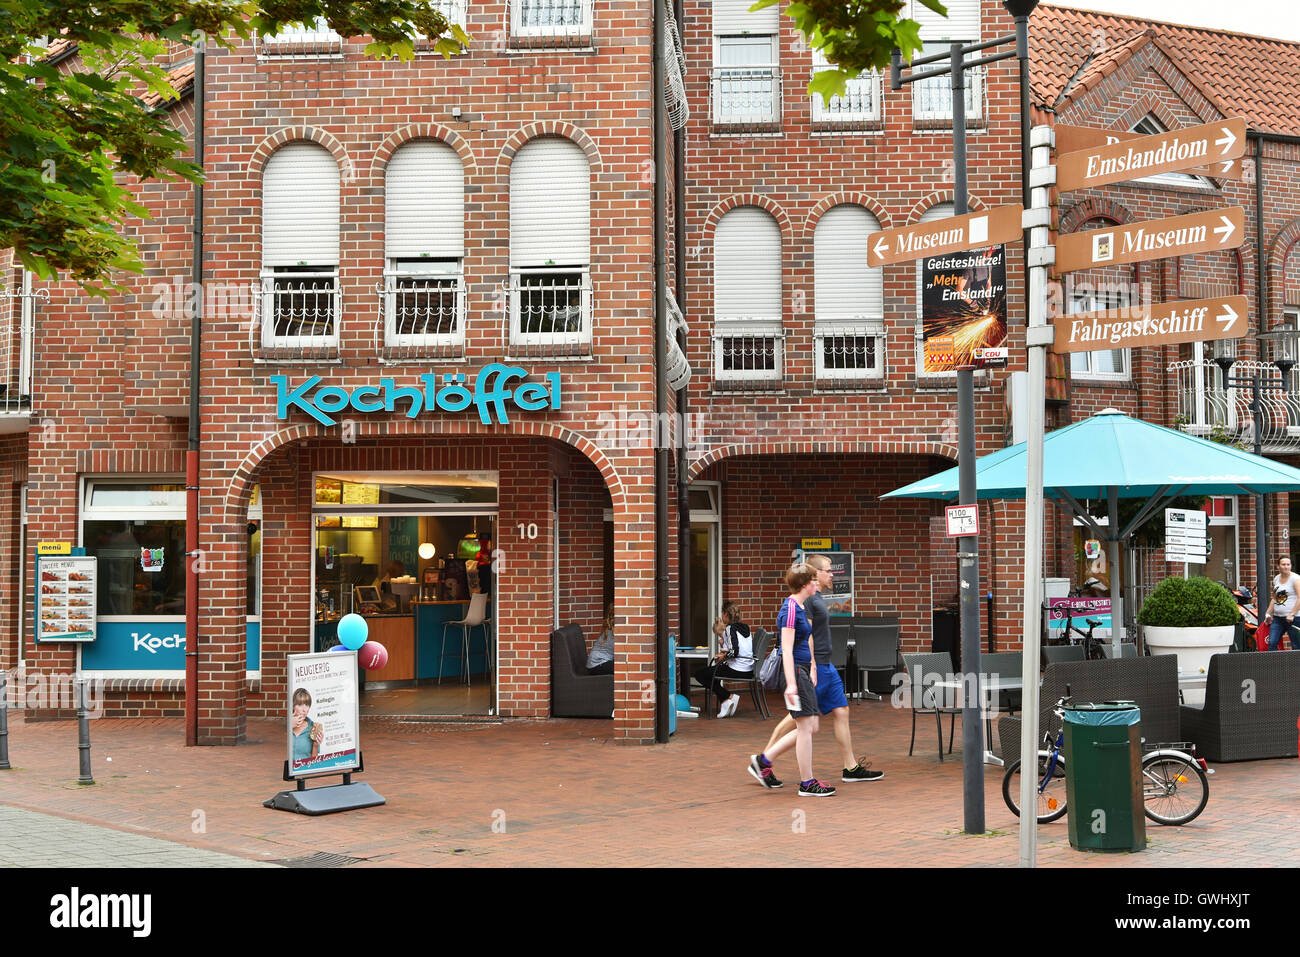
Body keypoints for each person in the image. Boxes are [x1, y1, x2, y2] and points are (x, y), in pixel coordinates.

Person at [759, 554, 884, 782]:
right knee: (800, 721)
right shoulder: (799, 604)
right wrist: (805, 673)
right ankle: (764, 761)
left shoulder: (812, 599)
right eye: (827, 570)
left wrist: (817, 664)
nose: (831, 574)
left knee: (836, 713)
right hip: (808, 668)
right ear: (813, 576)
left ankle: (850, 767)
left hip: (823, 665)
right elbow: (796, 642)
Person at [747, 563, 835, 797]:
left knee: (810, 726)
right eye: (814, 581)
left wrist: (813, 666)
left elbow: (806, 640)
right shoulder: (790, 610)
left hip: (803, 671)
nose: (818, 584)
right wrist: (793, 684)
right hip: (795, 672)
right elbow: (786, 649)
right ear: (806, 584)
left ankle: (764, 761)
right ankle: (807, 782)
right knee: (806, 728)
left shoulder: (800, 606)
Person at [694, 602, 753, 718]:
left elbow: (734, 652)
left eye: (722, 613)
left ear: (725, 614)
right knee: (711, 673)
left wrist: (723, 657)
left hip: (737, 669)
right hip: (749, 669)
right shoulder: (746, 627)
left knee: (700, 674)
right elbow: (740, 649)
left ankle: (728, 697)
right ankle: (725, 700)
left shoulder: (730, 629)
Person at [1264, 555, 1300, 651]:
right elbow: (1274, 598)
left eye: (1288, 564)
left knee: (1296, 646)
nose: (1286, 566)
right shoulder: (1276, 579)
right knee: (1272, 643)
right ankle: (1273, 666)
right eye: (1283, 564)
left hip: (1294, 619)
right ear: (1278, 566)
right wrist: (1268, 614)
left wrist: (1292, 614)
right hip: (1277, 618)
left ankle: (1296, 666)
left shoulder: (1295, 579)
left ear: (1291, 566)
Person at [290, 688, 324, 763]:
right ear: (293, 706)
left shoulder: (312, 728)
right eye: (300, 705)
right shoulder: (286, 725)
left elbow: (314, 762)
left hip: (303, 772)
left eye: (307, 705)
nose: (304, 709)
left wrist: (315, 745)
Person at [587, 604, 615, 675]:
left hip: (598, 663)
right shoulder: (612, 630)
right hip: (596, 666)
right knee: (622, 666)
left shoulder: (610, 627)